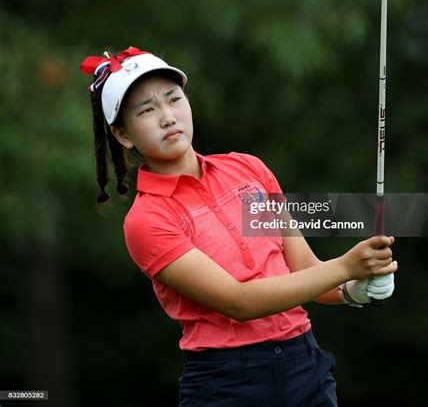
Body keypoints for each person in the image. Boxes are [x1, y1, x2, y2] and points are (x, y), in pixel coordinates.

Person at [80, 46, 397, 407]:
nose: (168, 117)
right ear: (123, 134)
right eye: (148, 110)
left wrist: (353, 288)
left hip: (304, 365)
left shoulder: (248, 170)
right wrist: (345, 267)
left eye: (174, 99)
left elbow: (305, 272)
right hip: (228, 383)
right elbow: (239, 302)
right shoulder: (148, 220)